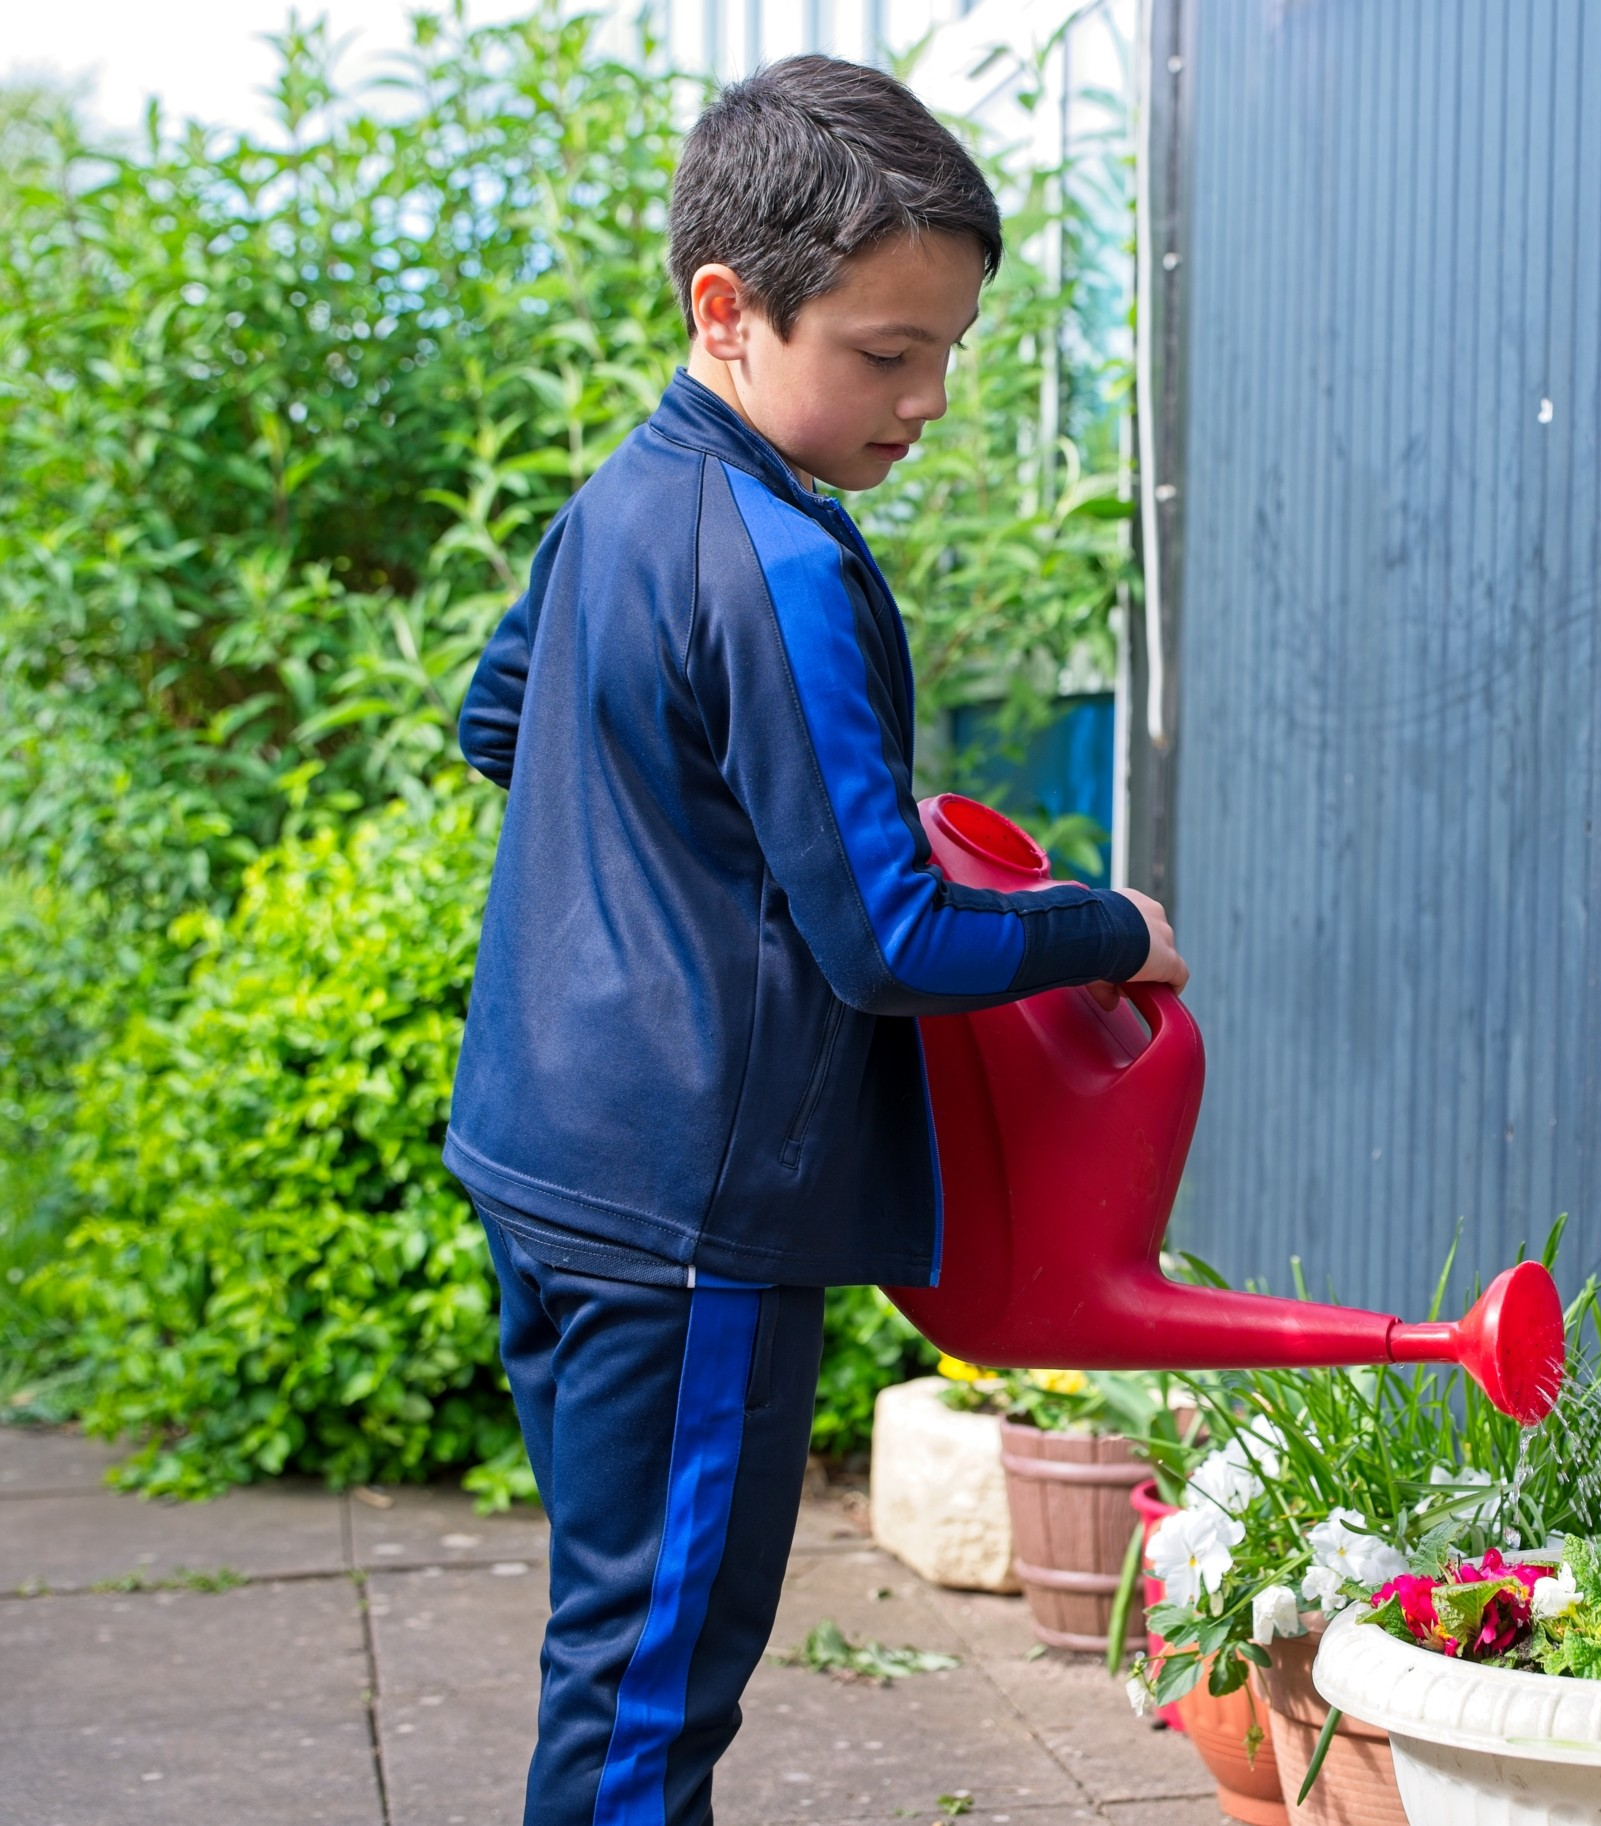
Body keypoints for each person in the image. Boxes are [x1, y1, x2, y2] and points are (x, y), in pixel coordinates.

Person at [444, 52, 1188, 1826]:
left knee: (619, 1639)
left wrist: (655, 853)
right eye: (882, 352)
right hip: (688, 1221)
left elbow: (500, 722)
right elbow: (888, 933)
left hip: (543, 1155)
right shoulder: (777, 558)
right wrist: (1105, 928)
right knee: (645, 1702)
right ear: (728, 308)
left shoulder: (621, 498)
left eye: (945, 350)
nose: (924, 398)